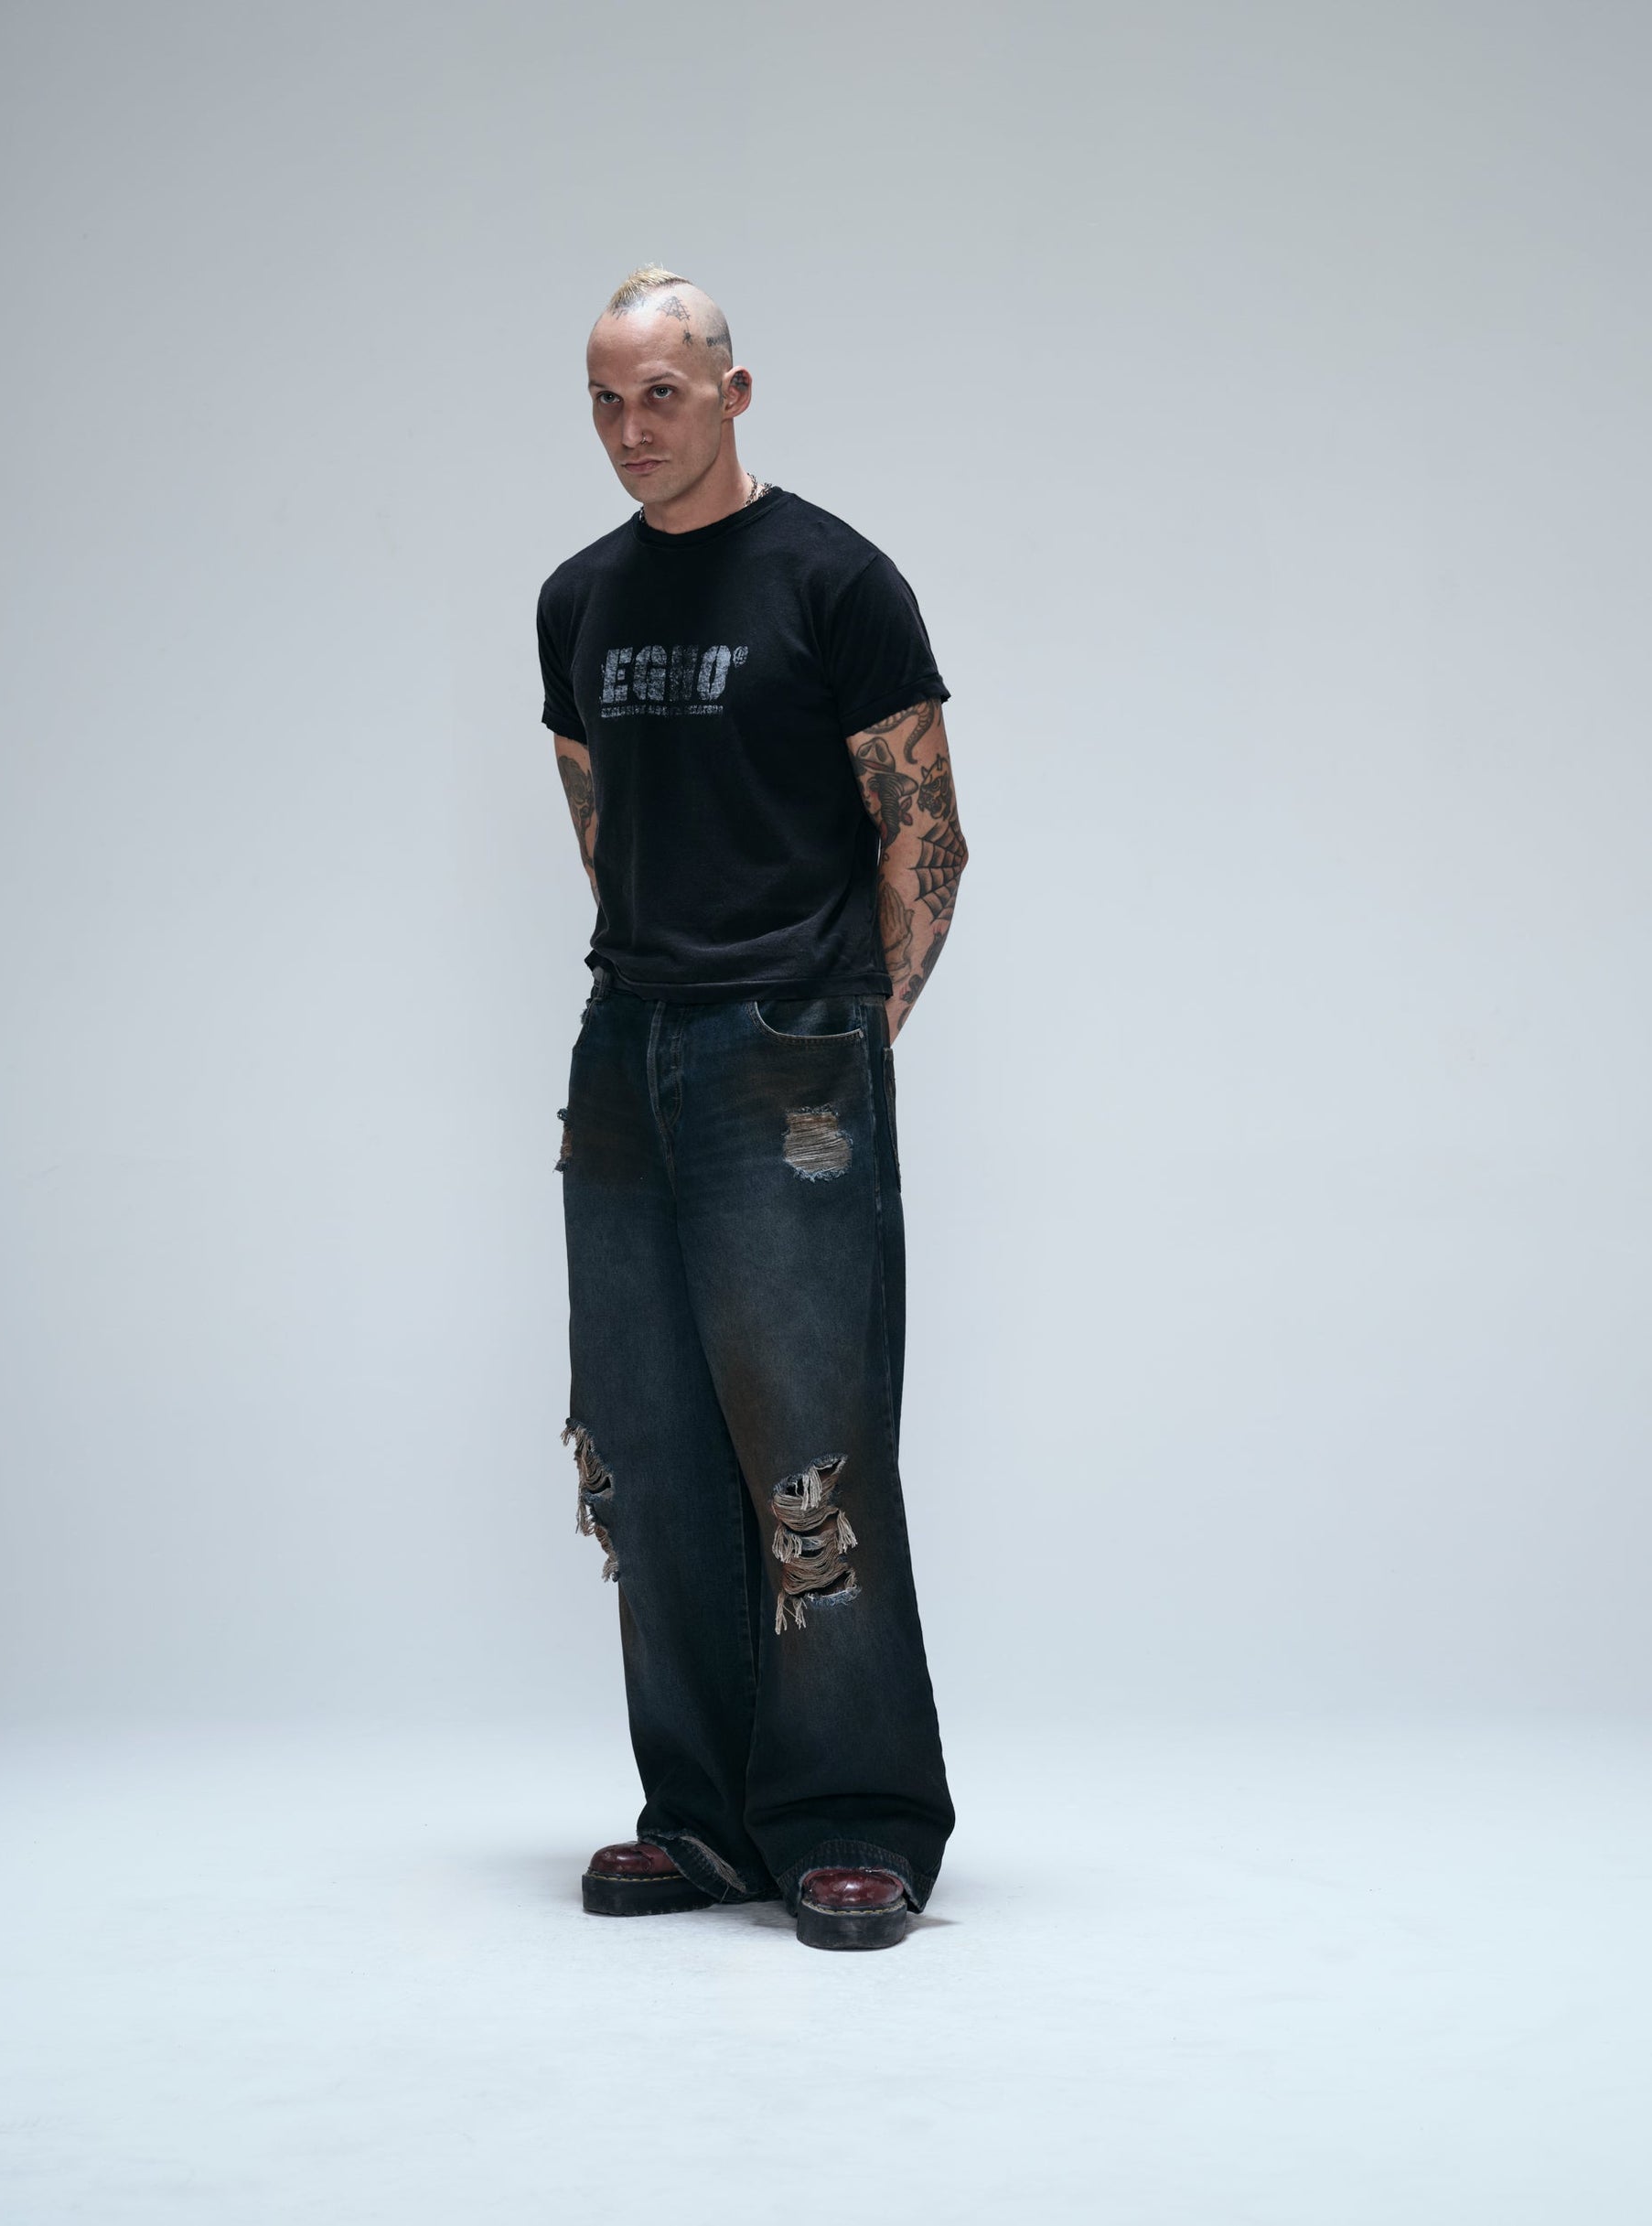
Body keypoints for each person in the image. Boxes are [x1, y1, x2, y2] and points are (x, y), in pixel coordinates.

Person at [536, 265, 968, 1952]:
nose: (630, 426)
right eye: (603, 397)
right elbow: (598, 816)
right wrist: (662, 990)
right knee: (640, 1444)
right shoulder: (576, 598)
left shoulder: (834, 579)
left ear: (731, 391)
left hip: (788, 1047)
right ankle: (702, 1818)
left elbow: (924, 831)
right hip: (623, 1041)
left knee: (810, 1441)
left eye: (660, 391)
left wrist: (843, 1031)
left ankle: (856, 1816)